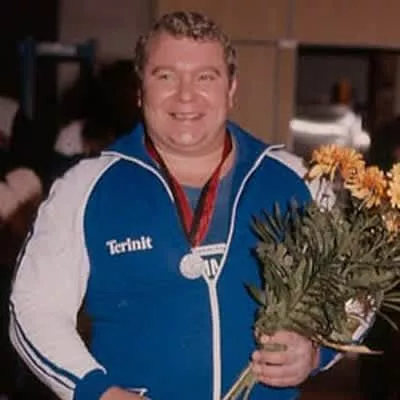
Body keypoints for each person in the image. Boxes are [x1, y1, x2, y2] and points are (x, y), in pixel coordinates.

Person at [10, 11, 343, 400]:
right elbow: (35, 308)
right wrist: (99, 392)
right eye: (165, 76)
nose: (186, 95)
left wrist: (317, 349)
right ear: (140, 90)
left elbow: (353, 292)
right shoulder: (84, 189)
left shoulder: (299, 180)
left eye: (205, 77)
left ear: (231, 89)